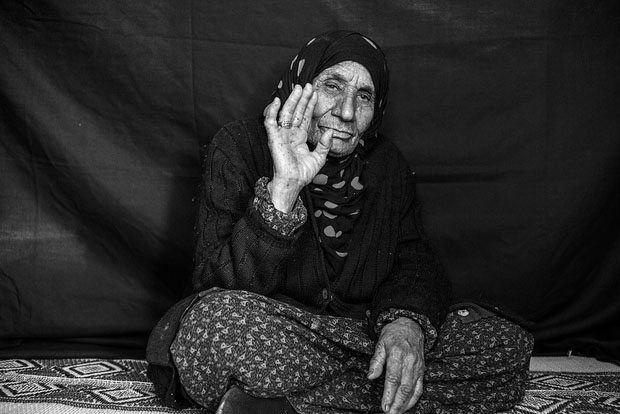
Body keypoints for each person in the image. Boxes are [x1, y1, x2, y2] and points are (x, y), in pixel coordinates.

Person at [146, 31, 534, 414]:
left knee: (506, 344)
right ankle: (368, 392)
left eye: (364, 96)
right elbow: (216, 286)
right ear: (301, 87)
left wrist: (404, 326)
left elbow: (413, 257)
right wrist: (283, 190)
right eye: (333, 86)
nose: (347, 112)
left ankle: (281, 404)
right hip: (273, 329)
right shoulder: (240, 146)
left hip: (359, 331)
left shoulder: (386, 164)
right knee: (212, 330)